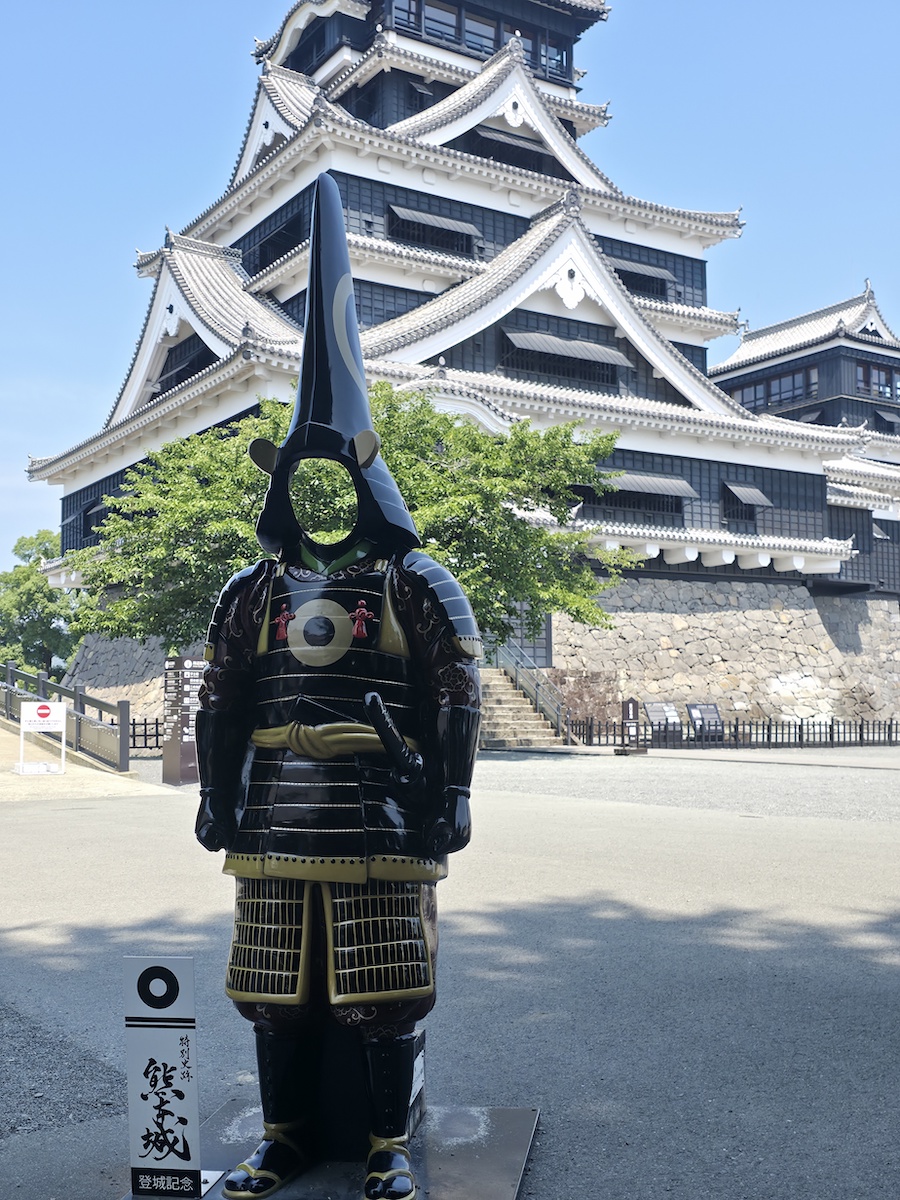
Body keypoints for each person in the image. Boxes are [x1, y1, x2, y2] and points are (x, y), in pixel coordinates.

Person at [194, 173, 481, 1200]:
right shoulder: (253, 588)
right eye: (302, 480)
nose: (319, 497)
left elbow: (456, 691)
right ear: (281, 484)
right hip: (276, 806)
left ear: (367, 478)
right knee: (272, 985)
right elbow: (223, 697)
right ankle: (282, 1136)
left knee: (384, 986)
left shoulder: (415, 580)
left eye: (335, 478)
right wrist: (214, 791)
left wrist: (453, 792)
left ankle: (387, 1143)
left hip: (382, 805)